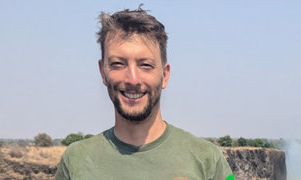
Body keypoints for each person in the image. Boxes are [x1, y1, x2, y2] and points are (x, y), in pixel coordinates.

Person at [55, 7, 234, 180]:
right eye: (118, 64)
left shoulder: (208, 159)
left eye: (145, 65)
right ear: (103, 72)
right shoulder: (75, 160)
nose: (133, 79)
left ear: (164, 75)